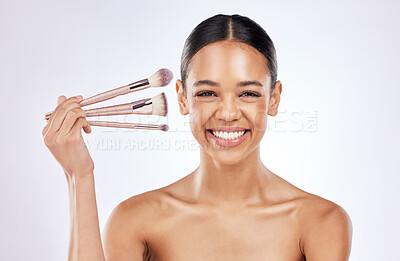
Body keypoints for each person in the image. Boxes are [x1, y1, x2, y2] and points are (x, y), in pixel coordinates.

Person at [42, 13, 353, 261]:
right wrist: (79, 176)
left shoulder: (321, 222)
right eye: (207, 92)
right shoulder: (135, 221)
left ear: (273, 99)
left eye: (247, 93)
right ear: (182, 98)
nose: (228, 113)